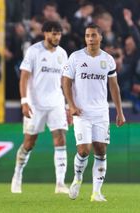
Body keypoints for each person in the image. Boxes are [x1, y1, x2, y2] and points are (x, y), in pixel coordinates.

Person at [62, 23, 125, 202]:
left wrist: (119, 112)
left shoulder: (108, 60)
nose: (90, 39)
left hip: (101, 112)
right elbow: (65, 81)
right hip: (81, 112)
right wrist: (71, 105)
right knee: (83, 150)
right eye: (87, 35)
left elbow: (114, 87)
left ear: (100, 37)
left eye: (93, 35)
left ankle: (96, 192)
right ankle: (77, 178)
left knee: (101, 150)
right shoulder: (75, 57)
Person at [11, 21, 70, 194]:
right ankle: (17, 175)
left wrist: (67, 105)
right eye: (53, 33)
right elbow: (24, 77)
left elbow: (64, 81)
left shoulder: (62, 54)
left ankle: (60, 183)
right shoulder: (34, 51)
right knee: (29, 143)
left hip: (56, 102)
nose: (56, 37)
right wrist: (24, 101)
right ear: (45, 33)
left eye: (59, 33)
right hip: (35, 104)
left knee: (60, 138)